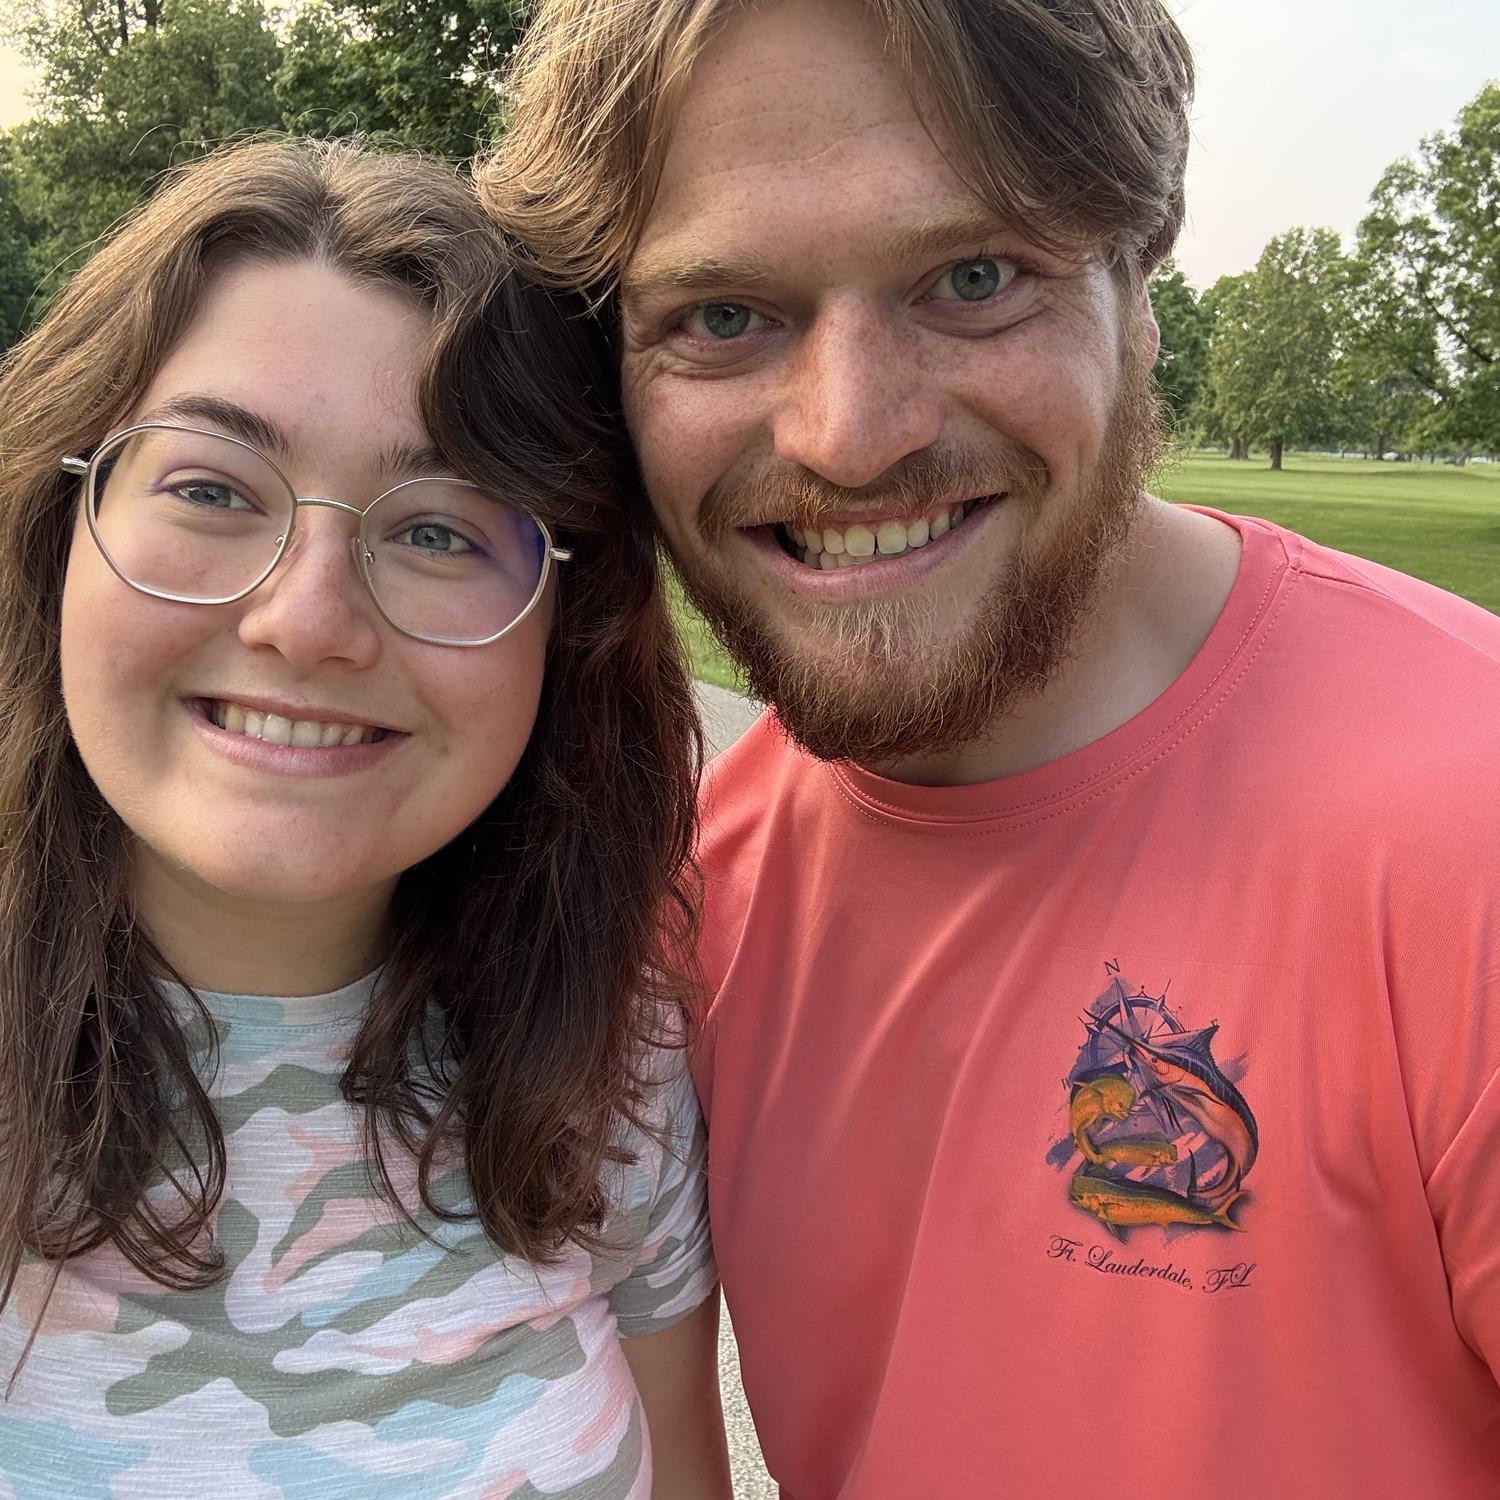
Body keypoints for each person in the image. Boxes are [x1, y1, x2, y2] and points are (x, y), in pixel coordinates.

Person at [479, 1, 1500, 1495]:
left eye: (974, 279)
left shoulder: (1467, 832)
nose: (848, 434)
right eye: (723, 316)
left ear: (1138, 290)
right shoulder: (685, 895)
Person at [0, 138, 733, 1498]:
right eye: (212, 488)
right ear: (62, 530)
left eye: (441, 529)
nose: (310, 620)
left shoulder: (607, 1061)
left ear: (562, 628)